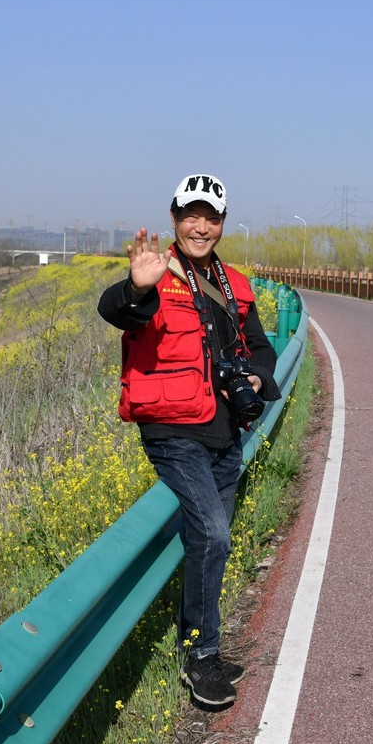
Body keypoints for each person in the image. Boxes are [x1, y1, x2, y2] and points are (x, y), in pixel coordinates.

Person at [98, 173, 280, 707]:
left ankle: (203, 647)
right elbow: (117, 310)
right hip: (174, 431)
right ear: (175, 218)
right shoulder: (155, 275)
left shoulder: (235, 284)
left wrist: (255, 378)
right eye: (191, 214)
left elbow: (261, 348)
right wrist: (136, 287)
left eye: (212, 216)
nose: (201, 225)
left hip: (225, 431)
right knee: (216, 535)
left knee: (208, 540)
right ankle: (201, 661)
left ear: (222, 223)